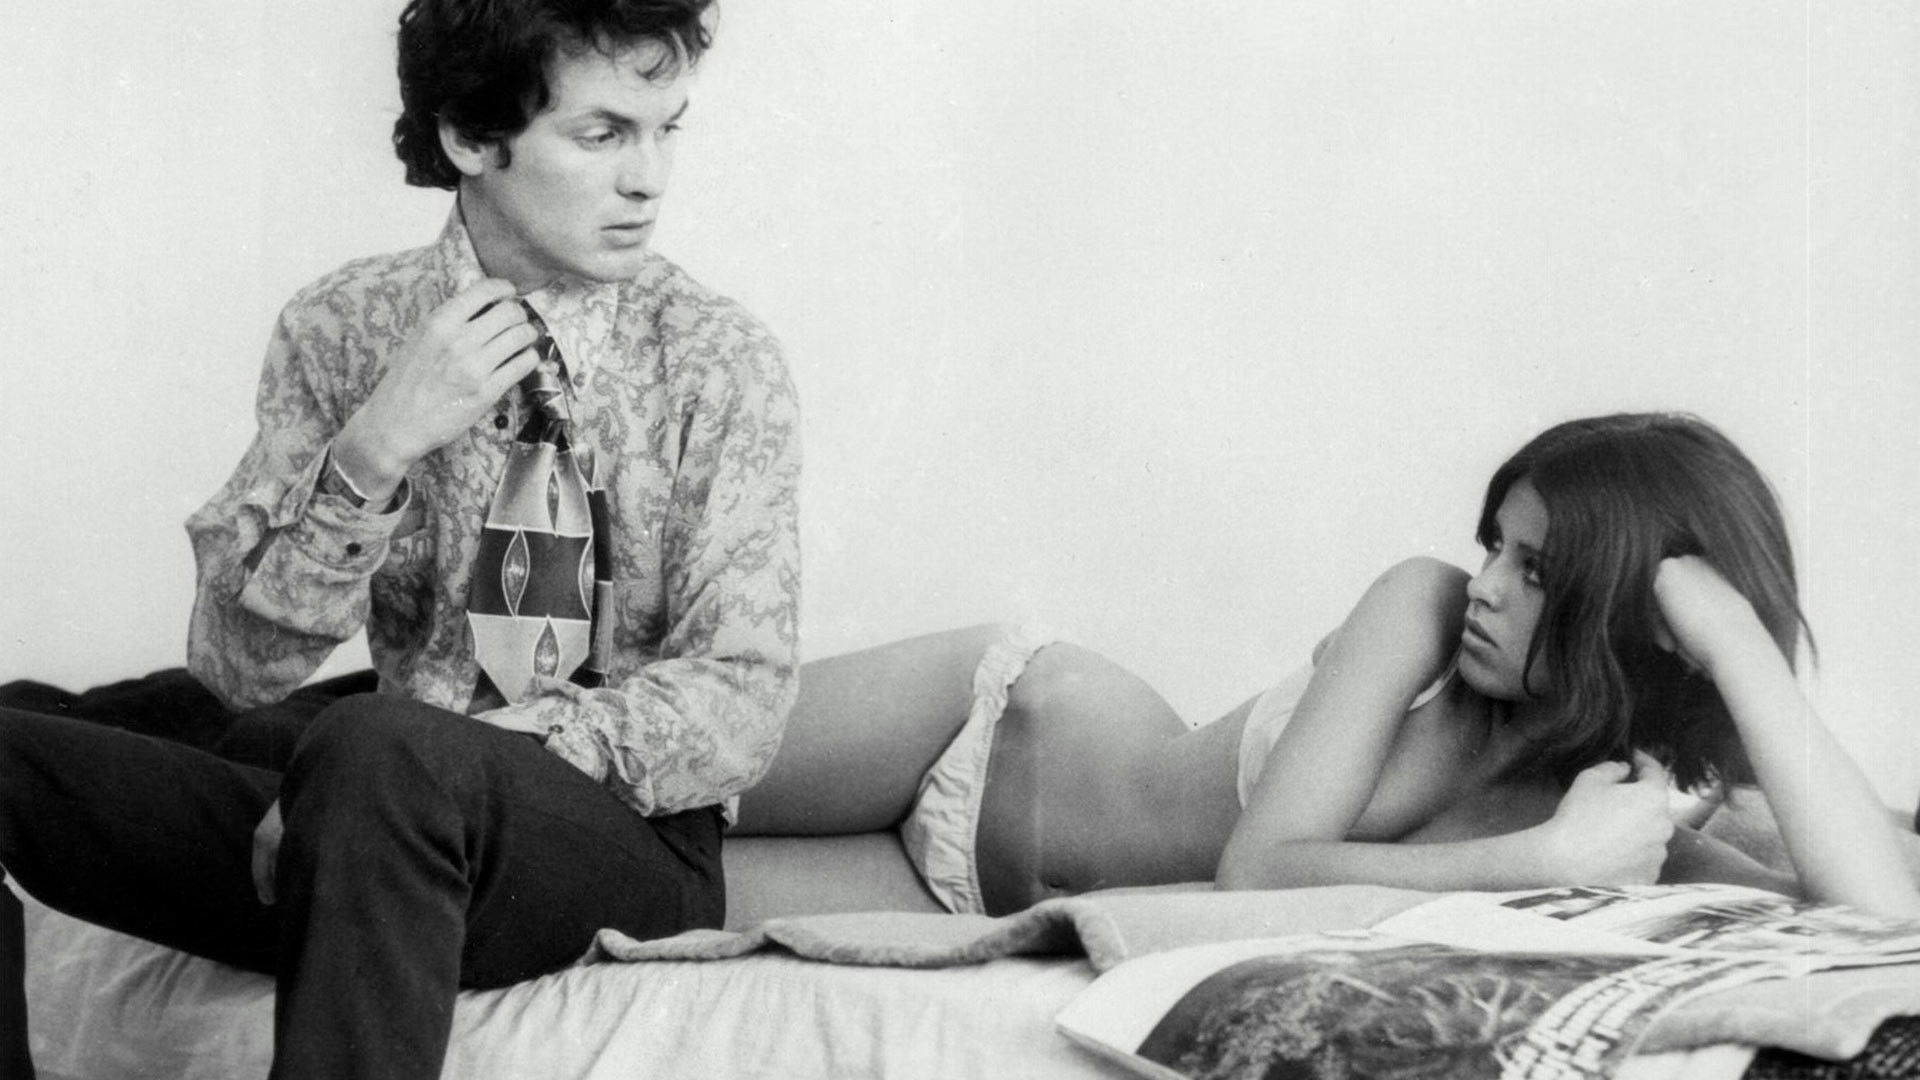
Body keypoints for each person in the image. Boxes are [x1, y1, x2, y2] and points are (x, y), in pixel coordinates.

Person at [0, 1, 800, 1077]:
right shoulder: (340, 328)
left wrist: (402, 770)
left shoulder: (718, 360)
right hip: (368, 822)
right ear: (470, 136)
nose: (649, 179)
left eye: (667, 130)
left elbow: (742, 695)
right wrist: (373, 450)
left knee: (370, 746)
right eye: (604, 134)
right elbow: (237, 666)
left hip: (619, 839)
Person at [735, 413, 1920, 922]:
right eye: (1496, 547)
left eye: (1538, 570)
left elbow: (1876, 916)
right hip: (977, 736)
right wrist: (1541, 864)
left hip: (980, 904)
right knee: (640, 778)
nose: (1490, 586)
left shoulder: (1617, 814)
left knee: (643, 897)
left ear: (1639, 619)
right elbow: (1260, 869)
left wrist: (1733, 636)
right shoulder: (1423, 609)